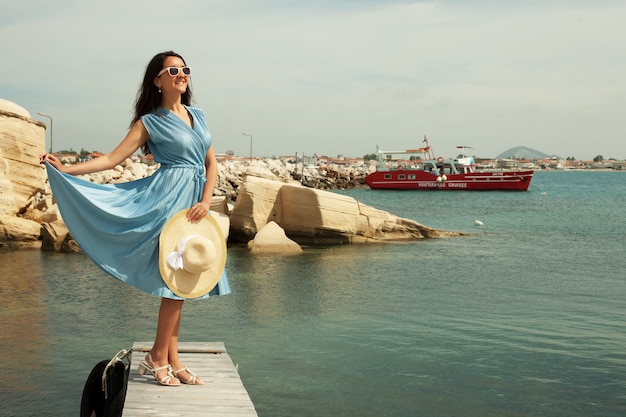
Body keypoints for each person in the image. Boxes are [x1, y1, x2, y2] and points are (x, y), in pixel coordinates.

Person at [40, 51, 231, 386]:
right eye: (173, 70)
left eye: (185, 69)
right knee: (174, 282)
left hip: (193, 205)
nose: (181, 74)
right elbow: (113, 158)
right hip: (165, 201)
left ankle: (172, 358)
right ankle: (158, 357)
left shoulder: (197, 115)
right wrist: (66, 168)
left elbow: (211, 164)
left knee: (183, 281)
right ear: (157, 80)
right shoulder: (149, 122)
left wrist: (205, 201)